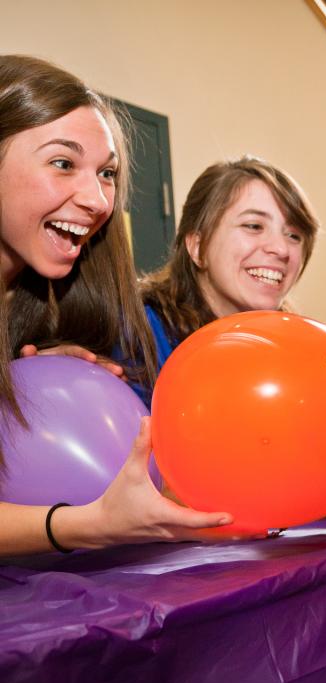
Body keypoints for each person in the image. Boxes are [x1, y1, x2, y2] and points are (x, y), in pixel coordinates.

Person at [0, 55, 233, 556]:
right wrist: (85, 525)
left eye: (107, 173)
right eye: (63, 163)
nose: (98, 200)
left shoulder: (49, 310)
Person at [138, 156, 319, 398]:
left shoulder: (298, 348)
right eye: (254, 226)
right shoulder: (139, 336)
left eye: (294, 236)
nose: (281, 249)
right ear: (197, 247)